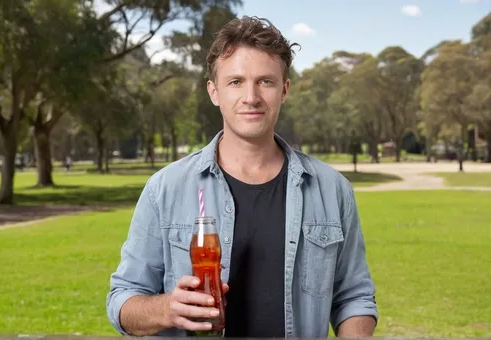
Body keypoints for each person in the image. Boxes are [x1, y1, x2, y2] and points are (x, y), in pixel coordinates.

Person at [106, 16, 378, 338]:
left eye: (265, 81)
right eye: (236, 82)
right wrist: (167, 308)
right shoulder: (165, 189)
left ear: (284, 90)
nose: (251, 97)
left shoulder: (332, 189)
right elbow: (122, 302)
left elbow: (354, 298)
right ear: (214, 92)